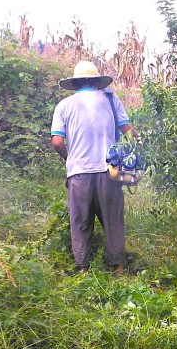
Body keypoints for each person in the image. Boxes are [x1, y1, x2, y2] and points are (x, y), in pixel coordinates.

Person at [50, 61, 138, 274]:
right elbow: (129, 132)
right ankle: (118, 268)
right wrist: (136, 151)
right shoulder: (110, 99)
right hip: (109, 172)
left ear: (76, 83)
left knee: (80, 223)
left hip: (78, 174)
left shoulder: (64, 105)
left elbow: (56, 142)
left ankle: (82, 269)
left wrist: (68, 158)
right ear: (97, 81)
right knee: (113, 221)